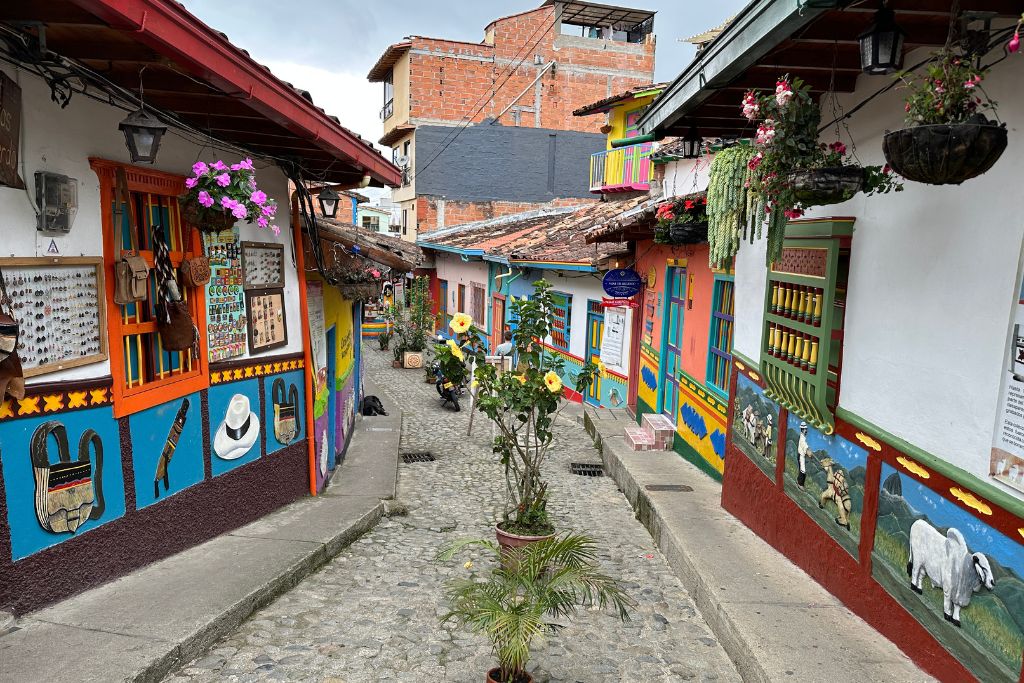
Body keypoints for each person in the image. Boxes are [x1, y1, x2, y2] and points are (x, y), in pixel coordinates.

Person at [797, 421, 811, 487]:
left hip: (802, 456)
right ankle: (800, 484)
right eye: (805, 429)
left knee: (802, 469)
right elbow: (804, 445)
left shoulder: (802, 437)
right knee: (803, 470)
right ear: (802, 430)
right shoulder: (802, 438)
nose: (806, 431)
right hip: (801, 456)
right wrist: (808, 451)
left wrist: (808, 449)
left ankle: (799, 481)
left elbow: (805, 445)